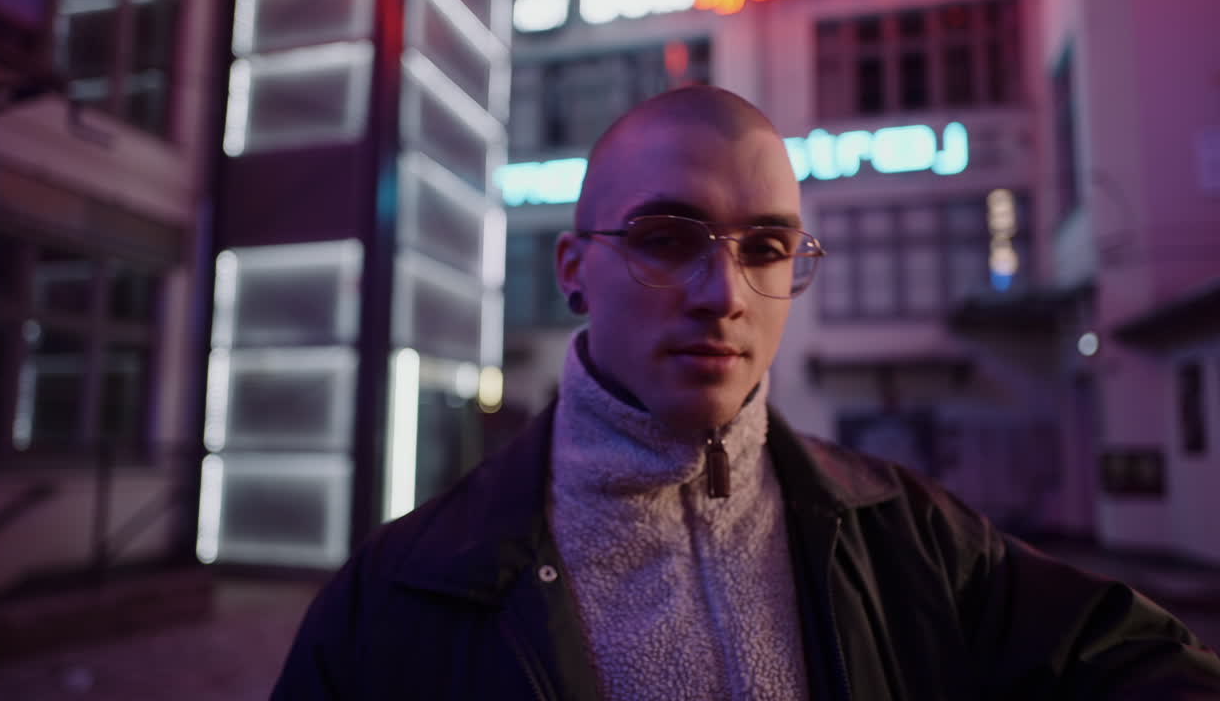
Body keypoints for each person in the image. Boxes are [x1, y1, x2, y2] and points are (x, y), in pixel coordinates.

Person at [271, 86, 1220, 700]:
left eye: (766, 248)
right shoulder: (400, 596)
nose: (723, 294)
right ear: (573, 269)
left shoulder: (912, 540)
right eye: (667, 239)